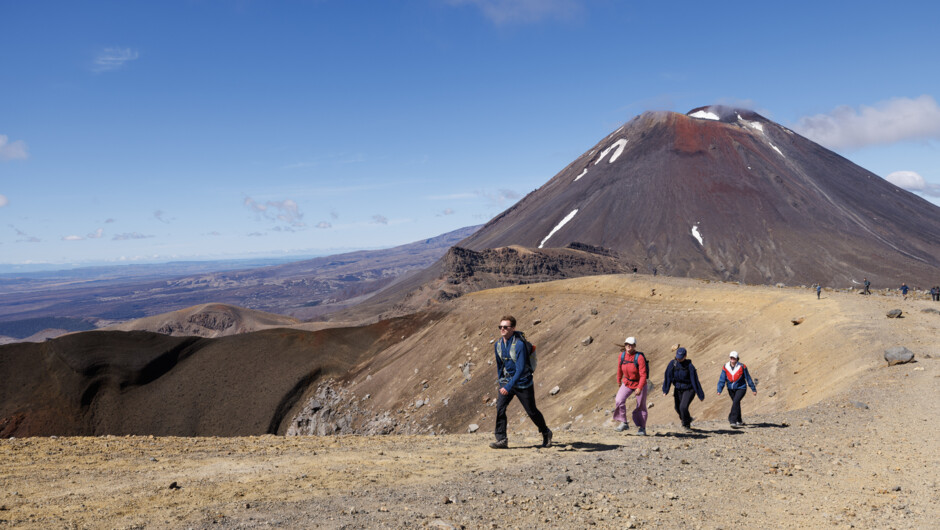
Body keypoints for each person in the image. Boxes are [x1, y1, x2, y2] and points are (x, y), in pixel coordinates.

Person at [490, 315, 552, 449]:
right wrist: (502, 382)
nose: (502, 329)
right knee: (500, 408)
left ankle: (546, 432)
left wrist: (508, 386)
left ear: (513, 328)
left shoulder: (519, 344)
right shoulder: (498, 344)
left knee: (531, 411)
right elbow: (499, 365)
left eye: (505, 327)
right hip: (507, 382)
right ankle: (501, 439)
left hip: (523, 383)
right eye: (500, 327)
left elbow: (520, 368)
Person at [612, 336, 649, 435]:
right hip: (627, 382)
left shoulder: (639, 357)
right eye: (627, 344)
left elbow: (643, 374)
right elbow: (619, 368)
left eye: (631, 345)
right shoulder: (622, 355)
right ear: (625, 345)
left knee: (641, 405)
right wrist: (619, 380)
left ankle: (642, 428)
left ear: (635, 346)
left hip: (639, 383)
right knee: (619, 400)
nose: (629, 346)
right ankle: (624, 422)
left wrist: (640, 387)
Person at [662, 347, 704, 431]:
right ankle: (687, 418)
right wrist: (665, 390)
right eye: (677, 357)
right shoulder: (672, 364)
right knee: (677, 408)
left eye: (681, 357)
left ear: (685, 356)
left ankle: (686, 425)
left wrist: (700, 394)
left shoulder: (690, 366)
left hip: (689, 389)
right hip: (678, 389)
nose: (679, 359)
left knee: (683, 407)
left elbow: (695, 380)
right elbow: (668, 376)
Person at [717, 351, 757, 428]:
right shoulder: (725, 366)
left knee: (735, 402)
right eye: (731, 358)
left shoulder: (742, 366)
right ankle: (739, 420)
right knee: (736, 403)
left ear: (737, 359)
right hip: (730, 389)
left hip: (741, 388)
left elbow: (748, 378)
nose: (732, 359)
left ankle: (732, 420)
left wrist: (753, 389)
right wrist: (719, 389)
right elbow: (722, 379)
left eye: (734, 358)